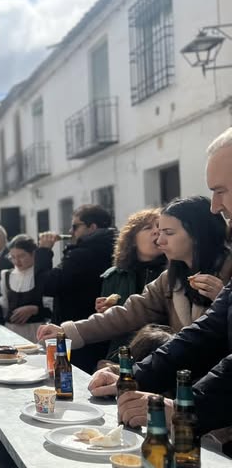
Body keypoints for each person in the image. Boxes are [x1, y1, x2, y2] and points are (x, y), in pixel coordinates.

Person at [105, 128, 232, 436]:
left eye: (221, 191)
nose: (215, 206)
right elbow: (206, 332)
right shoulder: (170, 277)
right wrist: (132, 376)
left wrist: (186, 409)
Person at [39, 196, 230, 372]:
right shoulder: (169, 279)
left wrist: (225, 301)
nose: (160, 240)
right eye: (158, 232)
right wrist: (67, 331)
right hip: (182, 381)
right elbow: (128, 313)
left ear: (197, 234)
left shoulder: (227, 271)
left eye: (168, 233)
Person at [37, 204, 115, 371]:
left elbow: (47, 285)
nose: (70, 231)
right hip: (99, 332)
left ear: (92, 227)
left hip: (77, 335)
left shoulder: (82, 255)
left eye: (75, 226)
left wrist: (44, 251)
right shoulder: (113, 249)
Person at [95, 208, 167, 360]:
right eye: (147, 228)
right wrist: (105, 311)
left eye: (159, 227)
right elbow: (108, 327)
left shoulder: (172, 272)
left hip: (159, 354)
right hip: (120, 355)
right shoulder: (114, 275)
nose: (156, 231)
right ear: (132, 240)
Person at [0, 234, 51, 343]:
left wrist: (35, 309)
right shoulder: (6, 275)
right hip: (11, 332)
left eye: (21, 256)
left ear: (33, 254)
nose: (17, 262)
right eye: (13, 257)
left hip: (35, 332)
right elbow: (5, 305)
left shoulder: (41, 275)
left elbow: (52, 308)